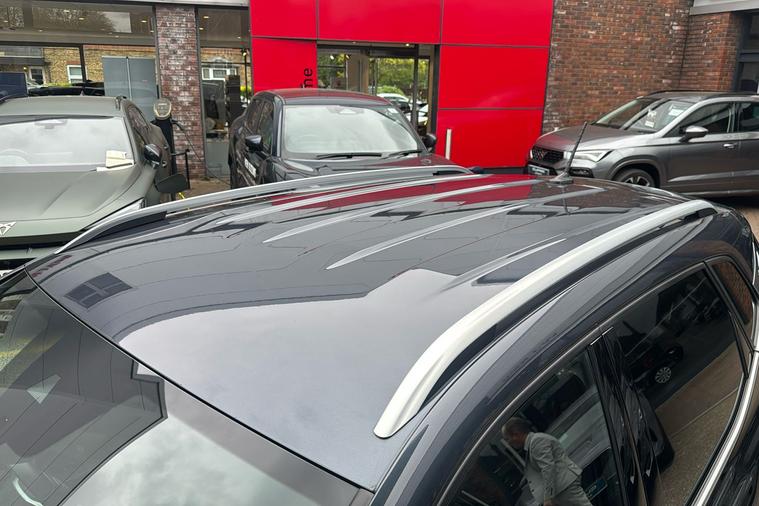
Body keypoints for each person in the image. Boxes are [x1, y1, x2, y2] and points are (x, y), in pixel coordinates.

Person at [502, 418, 592, 506]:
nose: (508, 443)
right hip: (561, 488)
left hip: (564, 488)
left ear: (516, 434)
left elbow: (548, 469)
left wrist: (548, 497)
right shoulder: (533, 442)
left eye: (507, 439)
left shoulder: (536, 442)